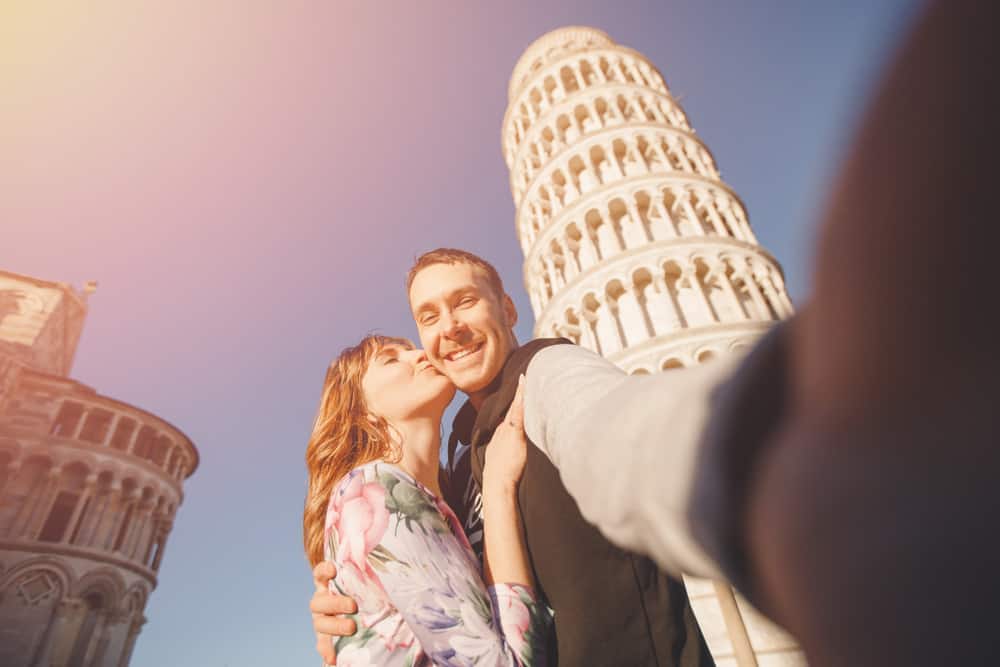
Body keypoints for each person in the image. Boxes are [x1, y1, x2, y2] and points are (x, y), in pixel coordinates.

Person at [312, 251, 714, 666]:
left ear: (507, 308)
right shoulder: (452, 466)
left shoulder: (548, 373)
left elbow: (618, 425)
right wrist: (361, 612)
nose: (448, 328)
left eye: (465, 301)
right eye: (429, 317)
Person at [303, 334, 551, 665]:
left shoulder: (437, 503)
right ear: (362, 412)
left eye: (411, 349)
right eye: (392, 359)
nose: (421, 355)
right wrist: (498, 487)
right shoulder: (374, 489)